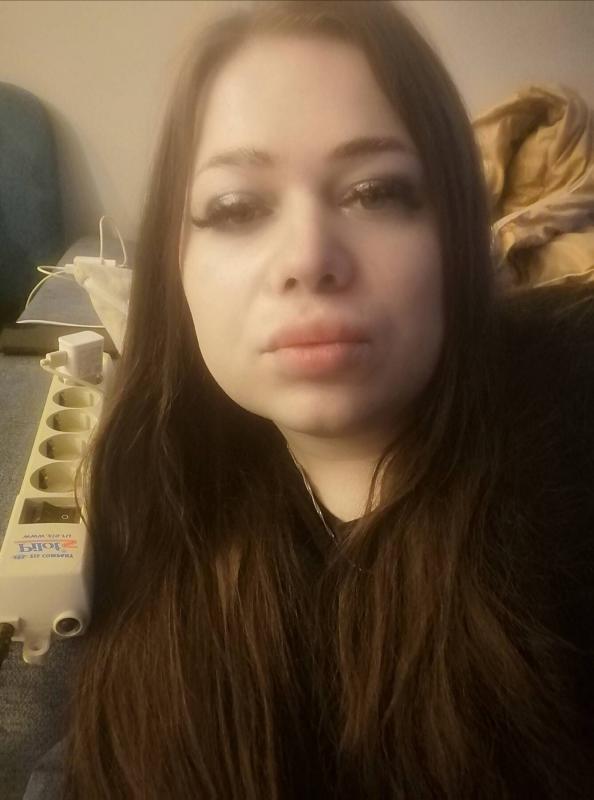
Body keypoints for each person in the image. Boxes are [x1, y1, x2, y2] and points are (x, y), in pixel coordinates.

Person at [33, 1, 594, 798]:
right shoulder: (151, 502)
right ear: (175, 267)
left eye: (375, 191)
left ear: (456, 235)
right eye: (236, 207)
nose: (308, 256)